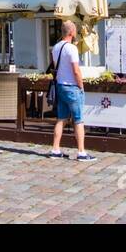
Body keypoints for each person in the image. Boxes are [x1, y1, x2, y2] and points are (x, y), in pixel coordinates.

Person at [49, 21, 95, 162]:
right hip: (72, 87)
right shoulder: (71, 48)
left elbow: (56, 67)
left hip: (60, 85)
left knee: (61, 118)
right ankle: (81, 152)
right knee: (78, 120)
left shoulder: (56, 47)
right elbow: (76, 70)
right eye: (75, 31)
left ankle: (55, 149)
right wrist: (81, 85)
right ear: (71, 32)